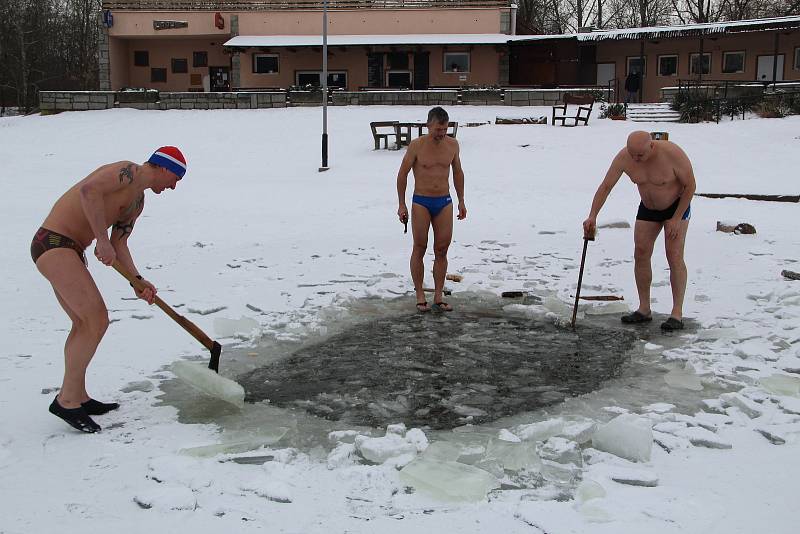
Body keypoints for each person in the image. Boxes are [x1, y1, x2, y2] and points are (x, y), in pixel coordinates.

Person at [32, 146, 187, 432]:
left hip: (72, 249)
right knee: (95, 320)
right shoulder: (126, 172)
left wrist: (137, 280)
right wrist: (100, 240)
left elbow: (119, 244)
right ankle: (66, 401)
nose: (174, 186)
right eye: (176, 178)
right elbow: (89, 191)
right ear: (165, 168)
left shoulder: (137, 203)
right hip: (53, 242)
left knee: (83, 324)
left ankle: (77, 396)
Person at [582, 131, 696, 331]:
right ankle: (644, 309)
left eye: (640, 155)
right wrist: (592, 215)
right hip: (648, 208)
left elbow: (690, 185)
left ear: (651, 146)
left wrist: (676, 218)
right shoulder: (625, 157)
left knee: (674, 255)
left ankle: (676, 313)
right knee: (641, 253)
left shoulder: (672, 153)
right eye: (633, 154)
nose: (636, 159)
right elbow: (606, 186)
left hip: (676, 206)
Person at [396, 107, 466, 312]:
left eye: (444, 129)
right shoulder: (417, 146)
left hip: (444, 201)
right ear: (428, 125)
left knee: (442, 249)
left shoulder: (453, 145)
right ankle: (419, 294)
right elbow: (402, 175)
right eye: (438, 129)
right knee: (420, 247)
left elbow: (458, 172)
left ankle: (438, 295)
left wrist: (461, 200)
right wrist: (401, 204)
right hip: (421, 201)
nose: (441, 133)